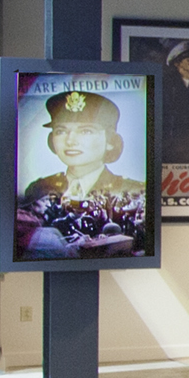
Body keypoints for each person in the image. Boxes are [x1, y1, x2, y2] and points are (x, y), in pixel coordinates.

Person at [14, 87, 149, 257]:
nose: (70, 141)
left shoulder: (135, 192)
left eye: (85, 131)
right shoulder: (39, 189)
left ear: (111, 141)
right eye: (61, 131)